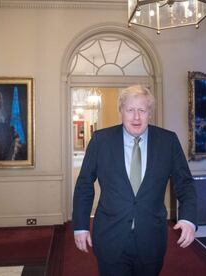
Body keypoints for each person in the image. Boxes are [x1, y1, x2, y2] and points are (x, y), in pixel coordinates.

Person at [72, 85, 197, 276]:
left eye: (142, 110)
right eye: (130, 110)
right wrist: (80, 225)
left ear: (150, 113)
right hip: (110, 237)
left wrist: (188, 218)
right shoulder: (100, 141)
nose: (136, 117)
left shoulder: (168, 141)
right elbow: (84, 185)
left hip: (151, 239)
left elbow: (185, 184)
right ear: (121, 111)